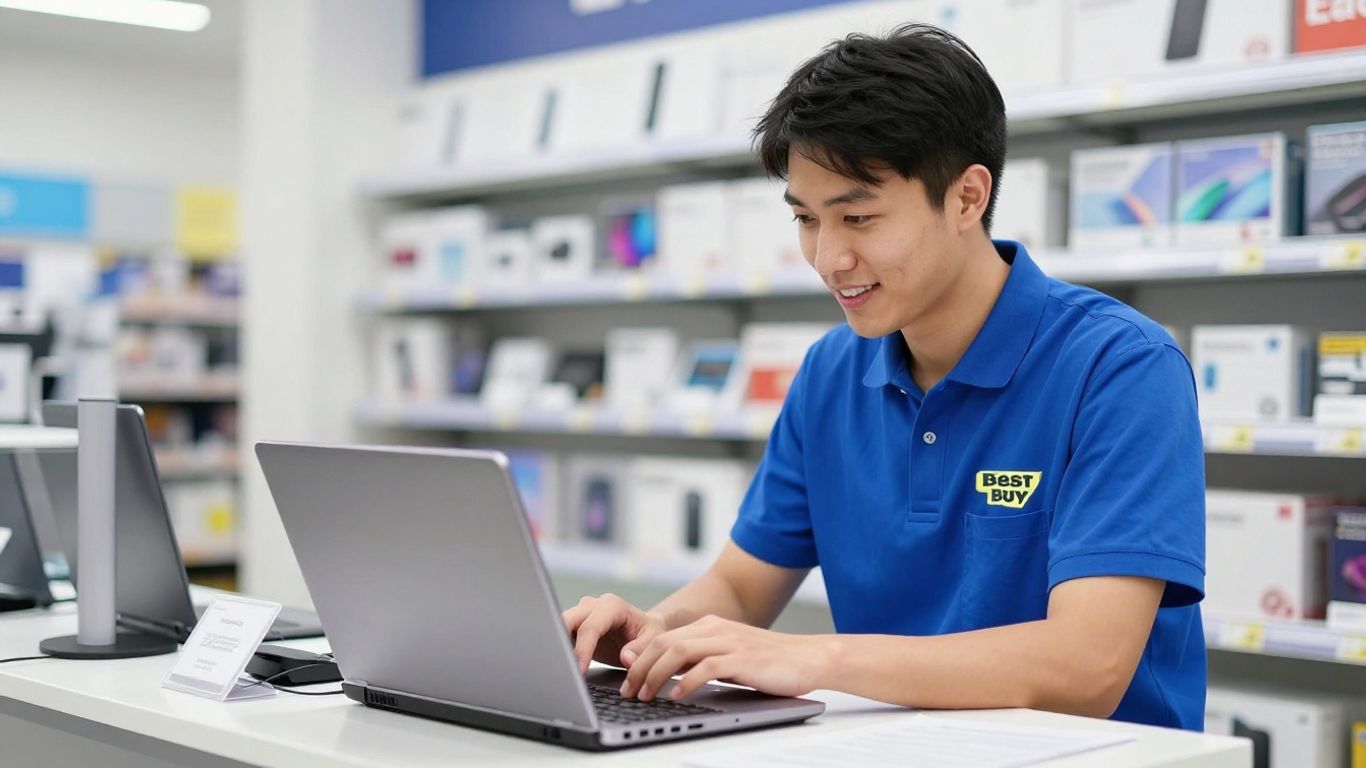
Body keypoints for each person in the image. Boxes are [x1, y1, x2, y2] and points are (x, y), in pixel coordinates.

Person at [563, 23, 1206, 730]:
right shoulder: (830, 372)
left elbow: (1086, 669)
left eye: (859, 217)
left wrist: (816, 658)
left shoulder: (1121, 368)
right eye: (807, 219)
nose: (828, 259)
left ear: (967, 198)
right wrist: (653, 634)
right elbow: (742, 588)